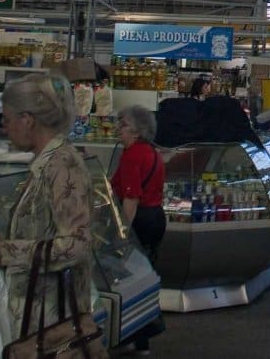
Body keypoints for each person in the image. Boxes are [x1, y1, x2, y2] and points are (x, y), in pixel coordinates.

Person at [0, 75, 92, 337]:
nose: (6, 128)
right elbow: (45, 230)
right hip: (36, 322)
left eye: (7, 119)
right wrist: (3, 244)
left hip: (52, 326)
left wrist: (9, 252)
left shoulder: (61, 165)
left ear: (27, 120)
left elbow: (76, 245)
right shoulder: (45, 163)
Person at [111, 104, 165, 355]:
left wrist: (121, 233)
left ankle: (134, 333)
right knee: (144, 276)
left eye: (123, 125)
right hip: (156, 219)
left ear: (136, 130)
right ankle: (142, 338)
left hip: (139, 220)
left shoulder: (132, 155)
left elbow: (131, 198)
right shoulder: (153, 153)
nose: (118, 130)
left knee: (128, 280)